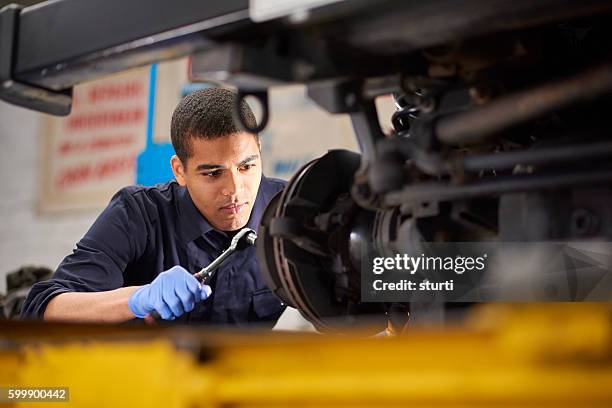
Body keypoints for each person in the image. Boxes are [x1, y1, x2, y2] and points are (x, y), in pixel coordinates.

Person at [21, 88, 286, 327]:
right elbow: (42, 310)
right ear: (179, 171)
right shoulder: (137, 214)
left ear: (259, 151)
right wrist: (137, 299)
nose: (235, 190)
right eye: (213, 174)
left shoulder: (289, 211)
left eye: (246, 166)